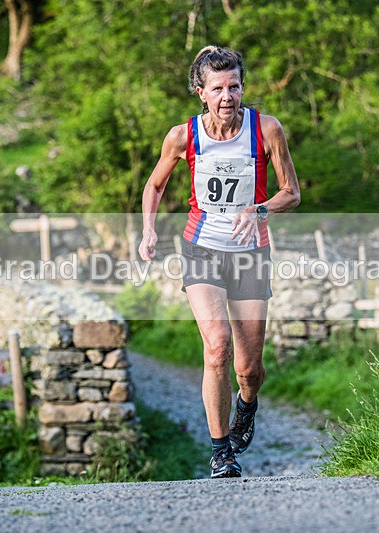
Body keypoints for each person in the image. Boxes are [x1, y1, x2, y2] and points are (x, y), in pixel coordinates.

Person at [139, 46, 301, 478]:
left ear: (242, 87)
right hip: (201, 249)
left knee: (248, 368)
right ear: (201, 93)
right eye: (218, 88)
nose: (228, 96)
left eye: (235, 86)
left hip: (250, 253)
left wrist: (259, 210)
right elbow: (154, 186)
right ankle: (220, 450)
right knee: (217, 348)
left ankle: (246, 406)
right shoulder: (182, 136)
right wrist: (149, 230)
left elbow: (292, 191)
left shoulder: (266, 129)